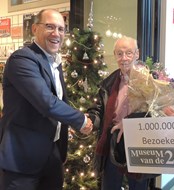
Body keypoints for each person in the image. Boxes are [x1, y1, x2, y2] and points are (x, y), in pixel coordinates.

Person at [0, 9, 93, 190]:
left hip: (51, 156)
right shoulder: (23, 59)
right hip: (22, 159)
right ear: (34, 29)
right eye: (50, 27)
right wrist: (80, 120)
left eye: (61, 29)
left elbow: (58, 101)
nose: (56, 33)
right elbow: (46, 102)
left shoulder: (54, 62)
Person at [87, 36, 152, 190]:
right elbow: (99, 109)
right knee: (109, 185)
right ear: (115, 55)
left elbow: (157, 113)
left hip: (140, 142)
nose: (124, 58)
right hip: (113, 141)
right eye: (119, 54)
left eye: (129, 53)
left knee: (138, 186)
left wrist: (130, 123)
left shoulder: (151, 81)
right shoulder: (109, 82)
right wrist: (89, 119)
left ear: (137, 54)